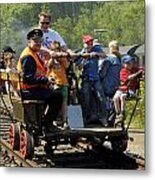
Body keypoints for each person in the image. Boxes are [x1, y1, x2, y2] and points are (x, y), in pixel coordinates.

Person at [17, 28, 63, 132]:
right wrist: (45, 80)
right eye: (35, 41)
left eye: (39, 41)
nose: (38, 43)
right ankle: (48, 124)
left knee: (54, 94)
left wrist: (47, 79)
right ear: (29, 42)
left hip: (33, 89)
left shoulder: (32, 53)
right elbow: (28, 79)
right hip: (29, 91)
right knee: (57, 96)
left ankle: (44, 121)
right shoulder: (28, 56)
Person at [77, 34, 107, 126]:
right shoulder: (81, 53)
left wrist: (96, 54)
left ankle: (103, 117)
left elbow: (104, 55)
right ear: (84, 44)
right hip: (86, 79)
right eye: (87, 43)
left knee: (101, 97)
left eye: (90, 42)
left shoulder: (96, 50)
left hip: (95, 78)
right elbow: (79, 67)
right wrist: (83, 59)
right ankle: (85, 118)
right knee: (85, 98)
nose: (89, 44)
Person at [113, 54, 143, 125]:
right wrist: (137, 74)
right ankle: (118, 114)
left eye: (131, 63)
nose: (130, 64)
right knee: (115, 98)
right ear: (124, 64)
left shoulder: (134, 69)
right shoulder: (122, 71)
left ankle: (123, 113)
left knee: (123, 96)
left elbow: (142, 69)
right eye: (128, 63)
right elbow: (129, 77)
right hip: (123, 89)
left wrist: (141, 72)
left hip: (131, 90)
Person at [47, 41, 69, 128]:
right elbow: (48, 66)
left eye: (57, 50)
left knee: (64, 103)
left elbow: (66, 66)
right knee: (54, 103)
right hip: (54, 83)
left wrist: (61, 58)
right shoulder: (50, 60)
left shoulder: (62, 59)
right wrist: (53, 58)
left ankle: (64, 121)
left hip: (63, 82)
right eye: (53, 50)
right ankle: (53, 120)